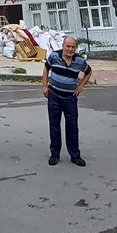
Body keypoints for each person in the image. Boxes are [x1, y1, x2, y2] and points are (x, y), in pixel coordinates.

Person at [42, 34, 92, 167]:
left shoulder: (79, 61)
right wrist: (45, 86)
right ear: (63, 46)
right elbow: (46, 69)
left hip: (70, 99)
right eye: (68, 46)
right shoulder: (54, 56)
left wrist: (81, 86)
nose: (70, 49)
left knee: (72, 127)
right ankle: (55, 154)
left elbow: (88, 72)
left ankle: (75, 155)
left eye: (73, 47)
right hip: (54, 96)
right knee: (54, 126)